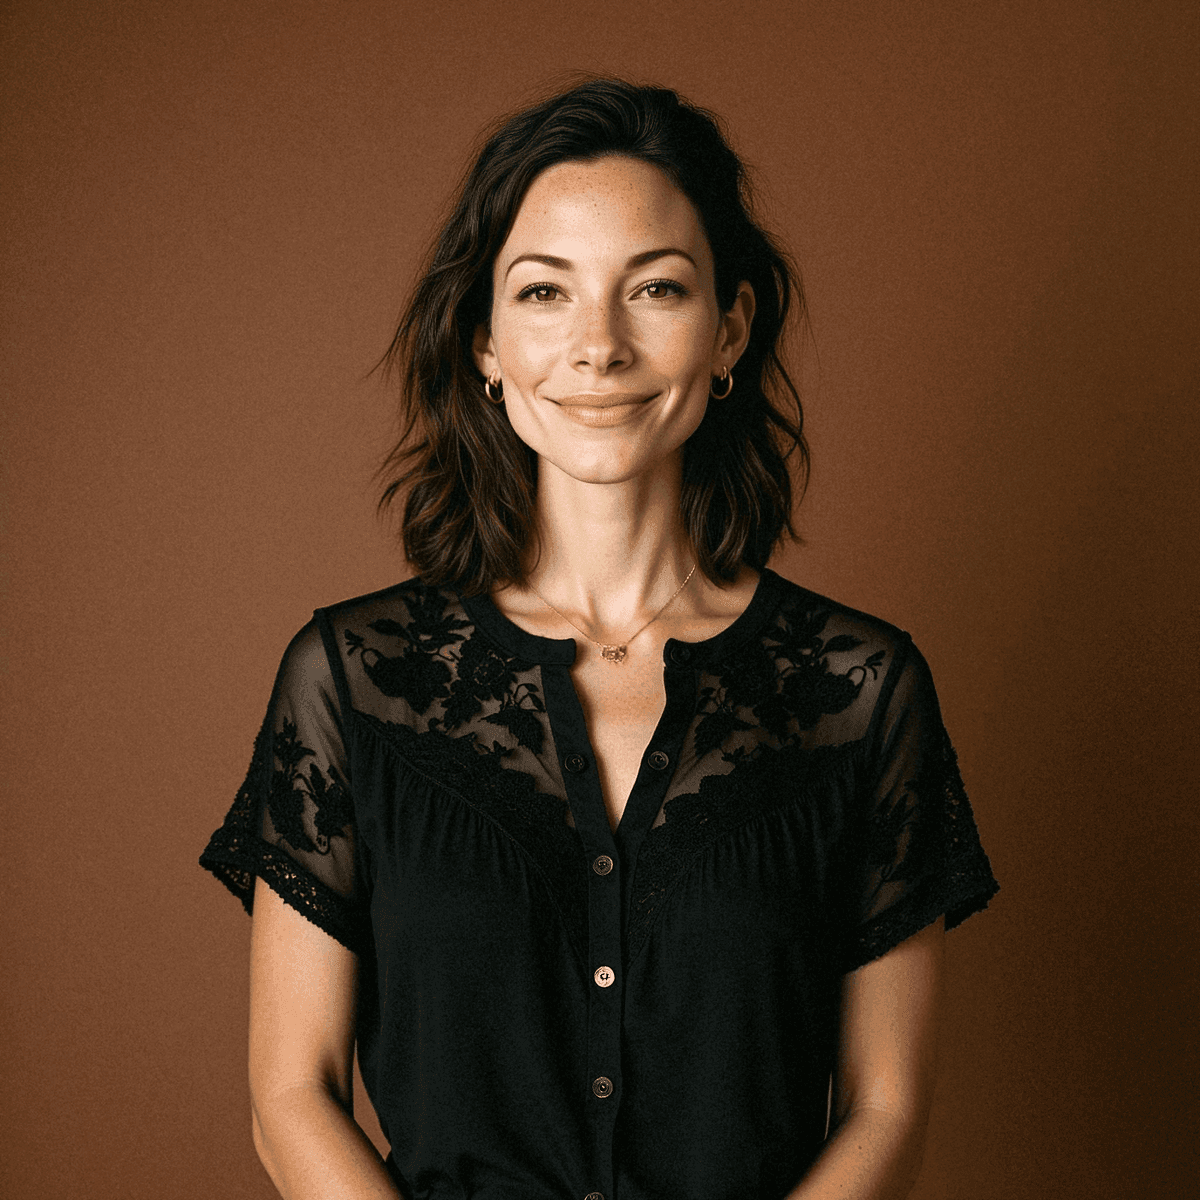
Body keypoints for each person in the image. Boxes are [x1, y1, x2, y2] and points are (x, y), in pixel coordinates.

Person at [199, 77, 999, 1200]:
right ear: (484, 342)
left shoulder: (858, 693)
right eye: (544, 292)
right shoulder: (353, 683)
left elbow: (886, 1109)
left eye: (655, 289)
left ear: (729, 330)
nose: (598, 347)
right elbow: (291, 1097)